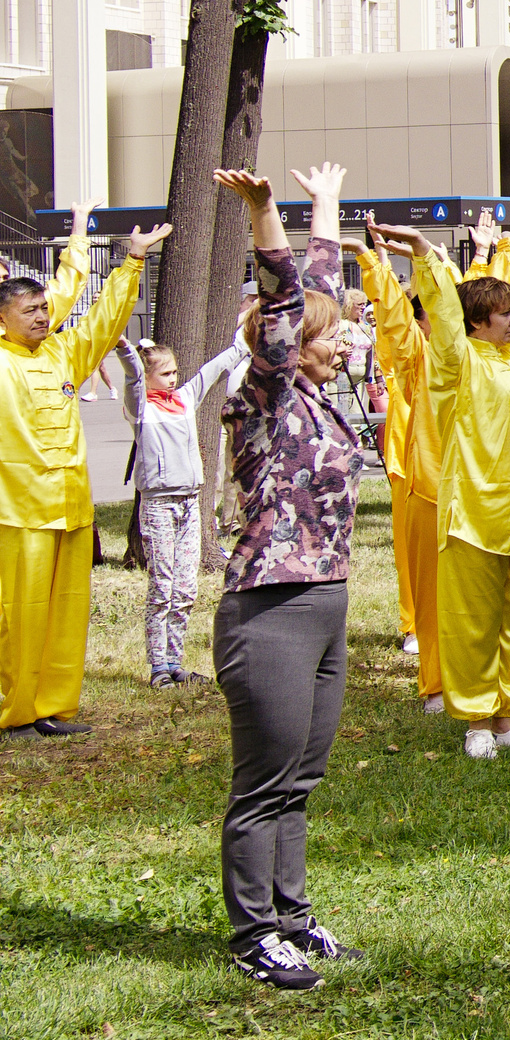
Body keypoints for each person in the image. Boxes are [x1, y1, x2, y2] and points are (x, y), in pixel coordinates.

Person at [209, 164, 365, 990]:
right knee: (263, 782)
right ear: (292, 348)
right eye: (330, 334)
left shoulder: (320, 396)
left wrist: (327, 207)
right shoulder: (267, 396)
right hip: (269, 609)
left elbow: (317, 290)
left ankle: (294, 918)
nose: (343, 342)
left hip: (325, 600)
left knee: (300, 778)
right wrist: (267, 216)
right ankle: (252, 934)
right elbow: (284, 304)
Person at [375, 214, 510, 760]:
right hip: (474, 513)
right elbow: (441, 315)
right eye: (506, 312)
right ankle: (478, 722)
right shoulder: (455, 362)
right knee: (472, 620)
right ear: (478, 320)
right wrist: (423, 253)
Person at [1, 203, 165, 736]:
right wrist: (74, 239)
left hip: (70, 507)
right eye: (28, 311)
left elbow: (99, 320)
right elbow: (69, 282)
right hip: (18, 513)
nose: (42, 317)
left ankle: (52, 706)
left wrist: (132, 263)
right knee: (18, 617)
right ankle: (15, 711)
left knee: (67, 616)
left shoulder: (60, 353)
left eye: (42, 310)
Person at [114, 324, 250, 686]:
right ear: (148, 377)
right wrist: (124, 349)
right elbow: (131, 376)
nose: (173, 379)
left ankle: (175, 662)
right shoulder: (140, 407)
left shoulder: (185, 400)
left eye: (175, 372)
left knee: (186, 588)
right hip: (159, 503)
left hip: (190, 503)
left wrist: (243, 340)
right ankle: (158, 666)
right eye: (165, 373)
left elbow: (213, 369)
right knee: (163, 585)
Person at [354, 229, 444, 687]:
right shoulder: (409, 353)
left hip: (451, 472)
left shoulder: (457, 355)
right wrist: (377, 266)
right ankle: (412, 624)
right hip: (409, 463)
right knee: (413, 556)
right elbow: (390, 318)